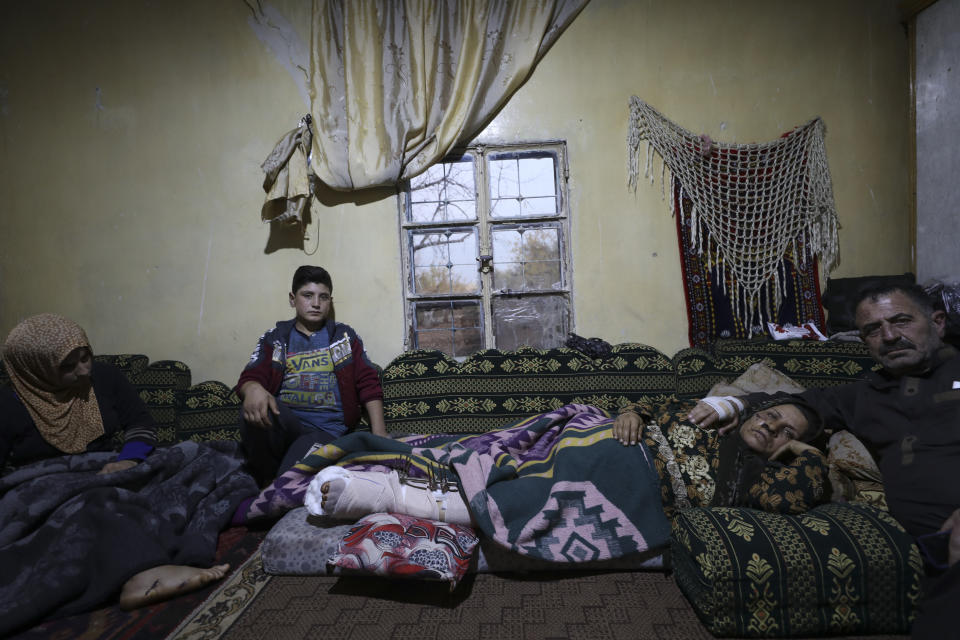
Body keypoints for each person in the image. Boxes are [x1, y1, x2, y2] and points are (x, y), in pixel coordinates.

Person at [687, 283, 960, 638]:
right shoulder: (862, 396)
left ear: (937, 322)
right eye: (873, 330)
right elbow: (801, 406)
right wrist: (739, 407)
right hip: (937, 553)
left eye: (901, 321)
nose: (890, 336)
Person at [0, 314, 255, 635]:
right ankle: (142, 577)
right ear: (36, 370)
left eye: (86, 356)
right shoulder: (9, 407)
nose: (84, 370)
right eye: (68, 366)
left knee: (205, 458)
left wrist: (129, 459)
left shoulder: (104, 378)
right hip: (51, 485)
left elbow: (141, 423)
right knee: (98, 503)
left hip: (112, 467)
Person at [310, 394, 826, 526]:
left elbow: (794, 498)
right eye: (775, 416)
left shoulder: (759, 477)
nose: (773, 427)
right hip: (601, 434)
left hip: (630, 477)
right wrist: (629, 412)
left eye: (786, 434)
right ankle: (414, 459)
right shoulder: (708, 419)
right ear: (758, 408)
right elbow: (653, 408)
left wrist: (805, 453)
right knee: (520, 441)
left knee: (538, 486)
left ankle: (399, 496)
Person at [237, 265, 386, 487]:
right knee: (251, 407)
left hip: (325, 432)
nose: (316, 304)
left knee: (289, 479)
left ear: (330, 301)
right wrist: (252, 388)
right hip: (285, 425)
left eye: (323, 297)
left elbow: (368, 383)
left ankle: (272, 488)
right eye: (308, 295)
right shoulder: (277, 338)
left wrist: (379, 433)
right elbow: (251, 376)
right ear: (292, 299)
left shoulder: (344, 337)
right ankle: (265, 476)